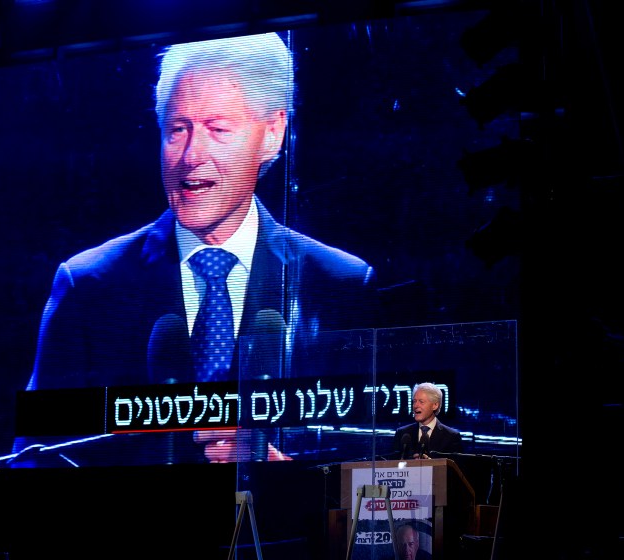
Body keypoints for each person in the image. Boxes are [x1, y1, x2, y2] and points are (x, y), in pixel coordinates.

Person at [23, 32, 380, 464]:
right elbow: (35, 460)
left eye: (217, 129)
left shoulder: (339, 284)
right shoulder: (89, 285)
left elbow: (373, 475)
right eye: (177, 129)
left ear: (272, 133)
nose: (191, 155)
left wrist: (277, 471)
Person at [393, 382, 463, 459]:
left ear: (435, 405)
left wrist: (431, 465)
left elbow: (455, 468)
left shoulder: (451, 437)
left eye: (421, 402)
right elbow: (392, 465)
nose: (416, 405)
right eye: (415, 401)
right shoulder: (402, 434)